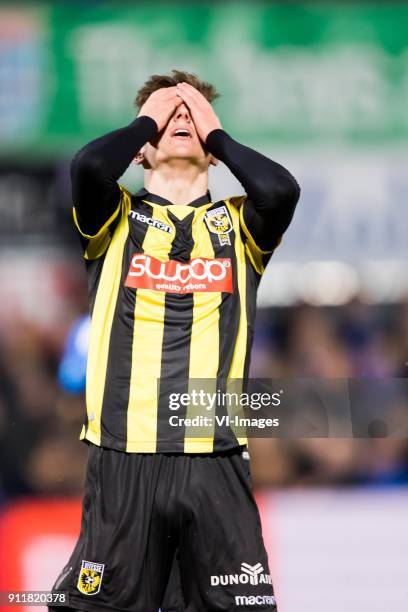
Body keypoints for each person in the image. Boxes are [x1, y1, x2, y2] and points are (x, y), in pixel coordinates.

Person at [49, 70, 300, 612]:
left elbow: (281, 189)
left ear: (212, 148)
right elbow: (88, 166)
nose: (179, 118)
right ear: (139, 150)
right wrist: (146, 119)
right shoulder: (115, 215)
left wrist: (219, 138)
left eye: (192, 114)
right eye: (167, 116)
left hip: (215, 459)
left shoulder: (239, 224)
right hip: (124, 457)